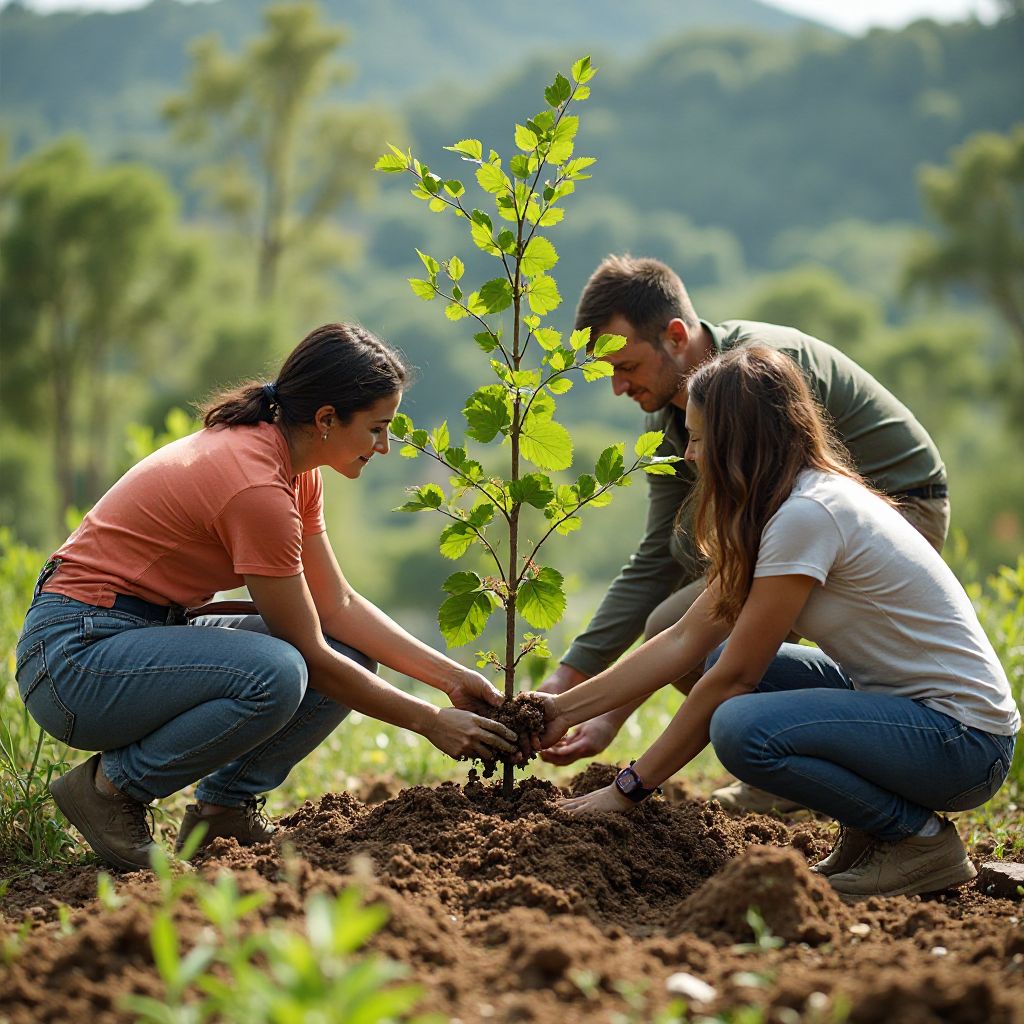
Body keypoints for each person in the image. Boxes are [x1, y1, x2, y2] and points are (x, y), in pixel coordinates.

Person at [15, 322, 519, 871]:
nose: (385, 446)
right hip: (74, 660)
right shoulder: (256, 487)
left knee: (345, 651)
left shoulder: (296, 471)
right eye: (377, 428)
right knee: (277, 672)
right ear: (326, 419)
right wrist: (430, 721)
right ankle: (109, 790)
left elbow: (337, 606)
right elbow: (309, 655)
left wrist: (451, 679)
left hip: (142, 636)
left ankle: (223, 811)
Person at [534, 345, 1018, 898]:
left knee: (741, 727)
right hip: (914, 716)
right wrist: (559, 710)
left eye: (698, 439)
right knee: (716, 657)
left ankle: (919, 840)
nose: (689, 454)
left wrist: (628, 789)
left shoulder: (807, 515)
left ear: (737, 443)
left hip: (964, 742)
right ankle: (873, 832)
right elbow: (685, 638)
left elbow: (735, 680)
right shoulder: (787, 506)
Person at [540, 255, 950, 814]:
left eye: (627, 365)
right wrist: (571, 687)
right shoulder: (672, 417)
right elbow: (661, 558)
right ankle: (798, 759)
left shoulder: (763, 378)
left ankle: (800, 764)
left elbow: (798, 519)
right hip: (804, 529)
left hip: (900, 508)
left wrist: (627, 781)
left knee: (725, 664)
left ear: (676, 336)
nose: (617, 387)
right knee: (688, 626)